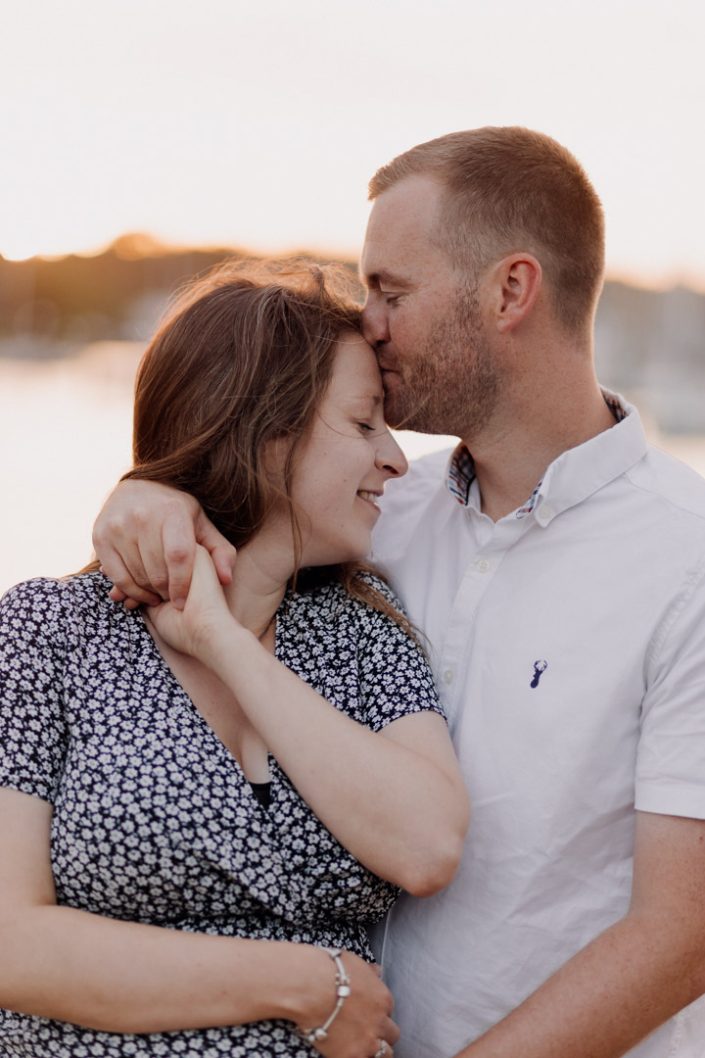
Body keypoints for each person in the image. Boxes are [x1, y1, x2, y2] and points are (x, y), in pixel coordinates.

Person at [90, 127, 705, 1058]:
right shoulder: (376, 512)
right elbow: (220, 528)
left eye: (391, 290)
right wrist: (144, 493)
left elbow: (681, 934)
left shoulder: (684, 556)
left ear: (510, 290)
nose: (367, 320)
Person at [0, 262, 470, 1058]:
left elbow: (425, 848)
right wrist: (305, 981)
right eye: (363, 424)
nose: (395, 459)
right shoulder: (49, 632)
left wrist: (225, 642)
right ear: (264, 431)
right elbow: (10, 944)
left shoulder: (365, 638)